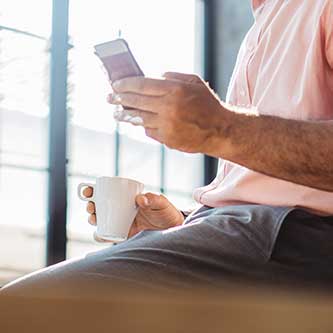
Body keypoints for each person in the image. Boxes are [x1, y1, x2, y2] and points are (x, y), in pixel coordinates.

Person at [2, 0, 333, 297]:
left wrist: (222, 127)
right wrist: (180, 224)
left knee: (22, 310)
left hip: (298, 237)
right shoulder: (267, 17)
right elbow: (258, 190)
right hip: (248, 233)